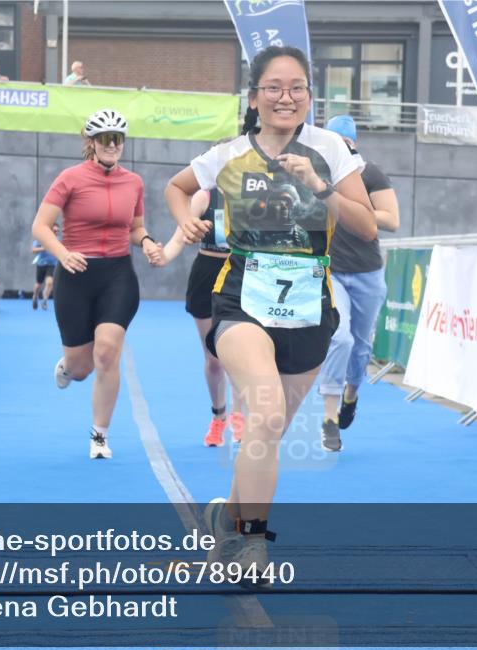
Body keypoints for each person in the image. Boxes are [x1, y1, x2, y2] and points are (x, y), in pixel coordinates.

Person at [164, 46, 375, 577]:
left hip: (308, 310)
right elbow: (178, 187)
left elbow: (367, 226)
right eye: (274, 88)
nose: (287, 97)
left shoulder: (331, 149)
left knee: (265, 434)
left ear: (310, 95)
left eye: (297, 87)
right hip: (242, 301)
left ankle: (225, 523)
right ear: (254, 97)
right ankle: (252, 542)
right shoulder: (231, 153)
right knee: (267, 414)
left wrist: (319, 186)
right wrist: (184, 221)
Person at [32, 108, 163, 460]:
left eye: (118, 139)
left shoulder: (133, 182)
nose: (112, 145)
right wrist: (63, 254)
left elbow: (135, 227)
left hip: (117, 275)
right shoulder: (70, 178)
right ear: (91, 142)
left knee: (106, 351)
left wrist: (147, 242)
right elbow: (40, 226)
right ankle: (67, 366)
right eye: (105, 139)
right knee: (81, 368)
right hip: (75, 274)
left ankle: (100, 436)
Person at [317, 115, 400, 452]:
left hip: (367, 271)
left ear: (352, 143)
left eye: (344, 143)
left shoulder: (370, 174)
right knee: (339, 338)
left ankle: (351, 393)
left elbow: (392, 220)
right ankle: (329, 418)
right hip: (331, 271)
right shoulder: (317, 176)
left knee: (361, 346)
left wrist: (352, 209)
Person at [157, 186, 246, 447]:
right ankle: (218, 416)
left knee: (240, 355)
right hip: (206, 274)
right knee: (214, 359)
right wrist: (162, 257)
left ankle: (239, 417)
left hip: (239, 275)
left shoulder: (255, 194)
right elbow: (180, 236)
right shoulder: (205, 197)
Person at [31, 223, 59, 310]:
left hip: (52, 264)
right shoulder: (41, 239)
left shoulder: (58, 240)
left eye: (57, 231)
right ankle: (35, 296)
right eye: (54, 231)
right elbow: (33, 250)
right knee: (38, 284)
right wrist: (43, 248)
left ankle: (44, 300)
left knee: (50, 282)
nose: (56, 233)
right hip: (41, 264)